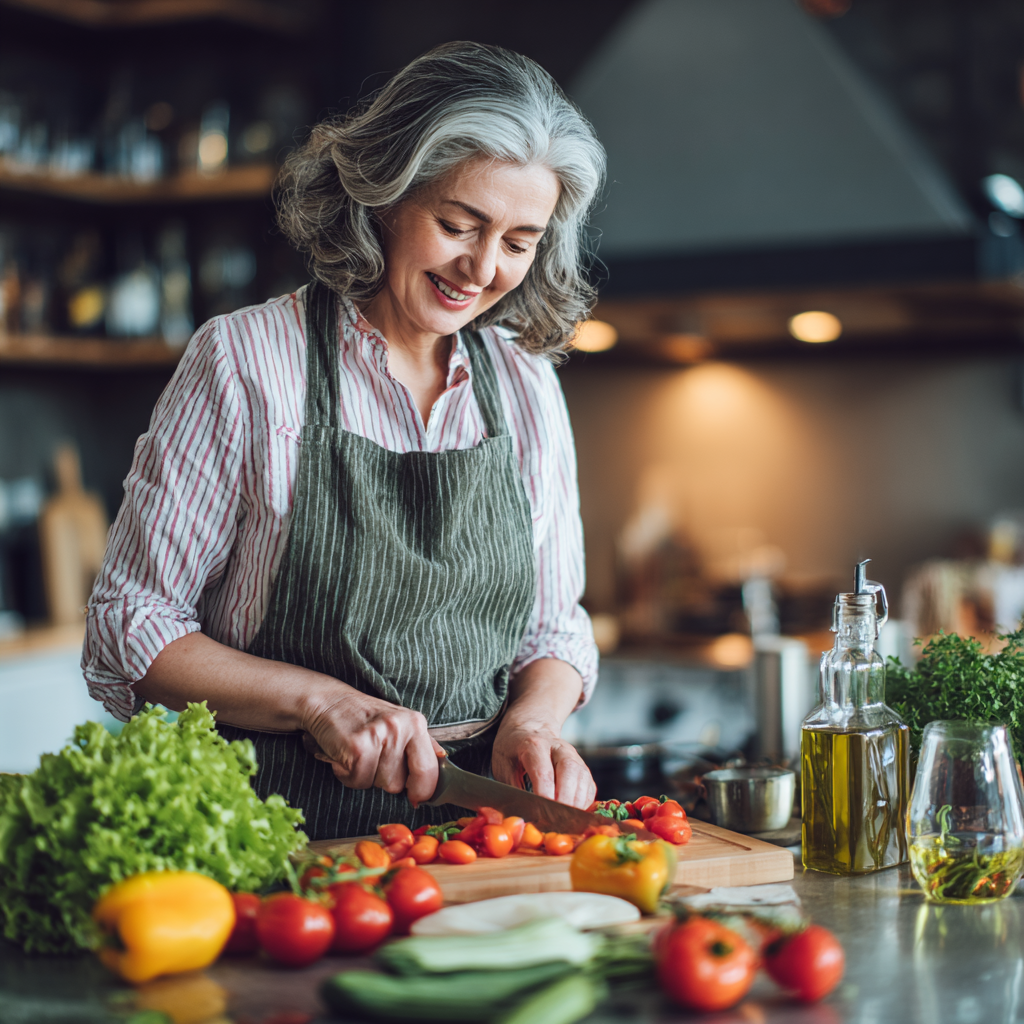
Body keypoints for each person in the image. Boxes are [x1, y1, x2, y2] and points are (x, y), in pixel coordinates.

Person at [83, 41, 605, 840]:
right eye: (458, 224)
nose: (482, 268)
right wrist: (319, 701)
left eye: (518, 241)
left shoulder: (527, 385)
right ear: (385, 195)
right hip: (271, 838)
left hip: (473, 840)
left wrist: (532, 724)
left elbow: (553, 628)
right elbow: (132, 622)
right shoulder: (248, 361)